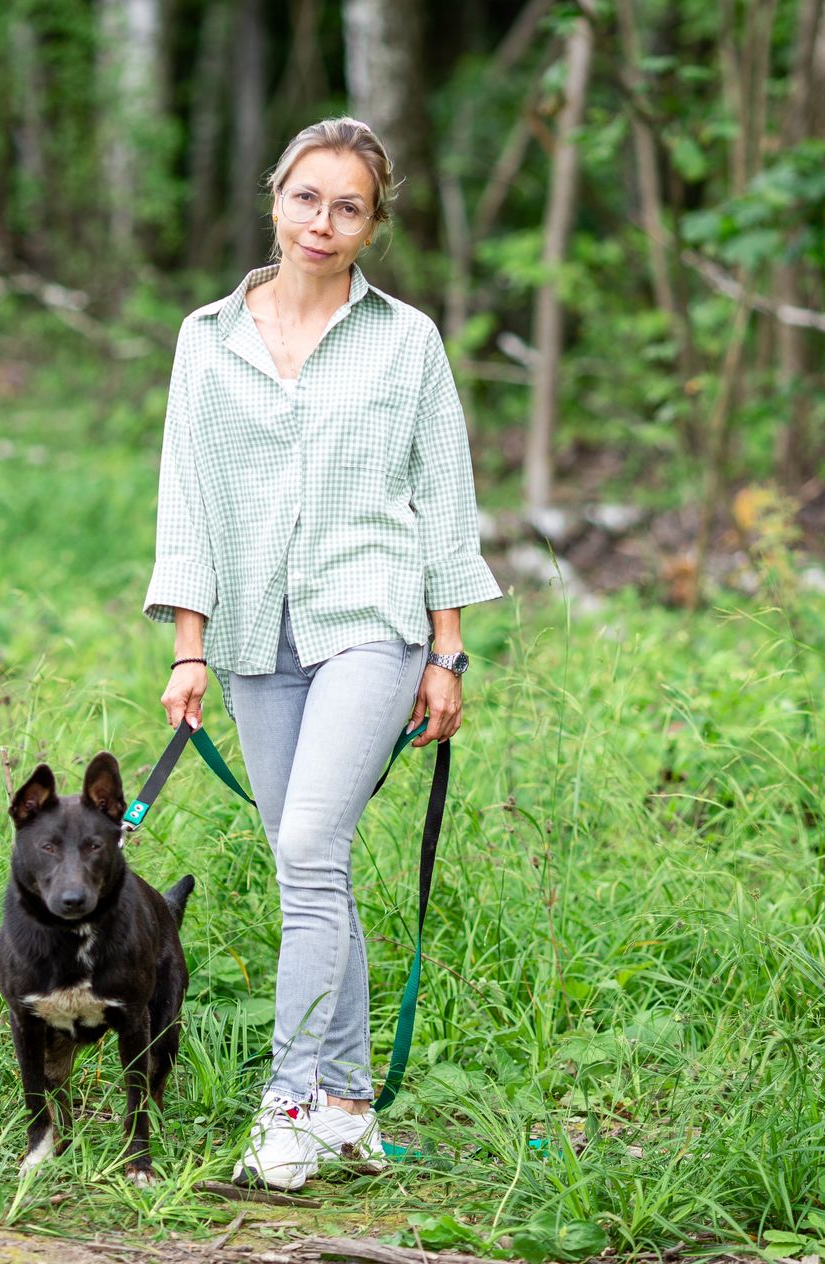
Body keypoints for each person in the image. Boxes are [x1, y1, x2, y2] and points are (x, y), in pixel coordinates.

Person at [142, 117, 502, 1191]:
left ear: (373, 224)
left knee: (304, 846)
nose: (322, 222)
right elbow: (186, 498)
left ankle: (288, 1103)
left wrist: (447, 652)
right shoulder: (207, 337)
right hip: (254, 631)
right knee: (312, 863)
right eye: (307, 198)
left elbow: (444, 498)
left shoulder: (407, 340)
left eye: (349, 207)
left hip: (371, 619)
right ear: (275, 198)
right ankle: (347, 1104)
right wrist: (189, 650)